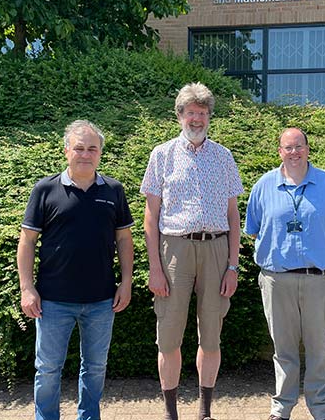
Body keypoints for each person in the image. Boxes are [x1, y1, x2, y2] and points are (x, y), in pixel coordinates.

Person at [17, 120, 135, 420]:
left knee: (95, 368)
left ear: (100, 153)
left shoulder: (113, 190)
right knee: (47, 369)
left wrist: (126, 282)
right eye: (79, 148)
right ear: (66, 150)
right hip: (53, 300)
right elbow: (27, 241)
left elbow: (124, 238)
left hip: (101, 300)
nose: (85, 154)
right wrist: (27, 288)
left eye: (92, 149)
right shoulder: (45, 189)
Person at [140, 82, 243, 420]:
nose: (197, 118)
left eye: (203, 112)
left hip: (216, 250)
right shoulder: (162, 155)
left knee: (211, 337)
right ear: (180, 115)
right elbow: (151, 216)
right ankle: (171, 412)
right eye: (191, 112)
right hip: (174, 251)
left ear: (209, 116)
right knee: (169, 337)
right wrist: (155, 267)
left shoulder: (224, 157)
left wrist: (233, 266)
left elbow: (232, 216)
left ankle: (204, 411)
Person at [244, 127, 325, 420]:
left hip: (320, 279)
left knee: (319, 348)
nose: (294, 152)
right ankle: (281, 409)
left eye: (299, 146)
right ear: (279, 151)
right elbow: (253, 231)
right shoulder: (264, 186)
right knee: (284, 349)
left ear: (307, 148)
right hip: (277, 280)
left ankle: (321, 409)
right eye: (288, 148)